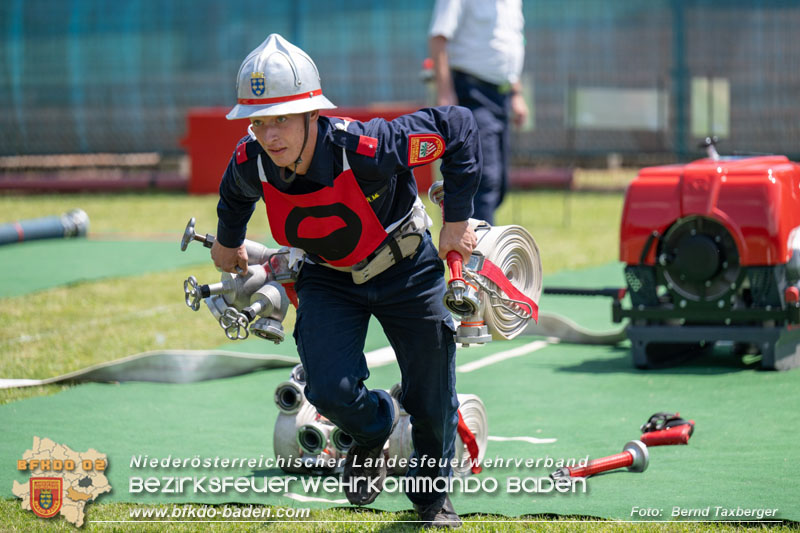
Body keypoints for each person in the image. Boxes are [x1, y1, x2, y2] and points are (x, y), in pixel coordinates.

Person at [210, 34, 481, 528]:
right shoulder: (252, 160)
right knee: (327, 390)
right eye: (259, 122)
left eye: (282, 119)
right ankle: (374, 429)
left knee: (431, 397)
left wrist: (457, 221)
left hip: (407, 269)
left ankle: (430, 497)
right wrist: (228, 242)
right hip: (328, 279)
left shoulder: (369, 148)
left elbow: (459, 127)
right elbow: (233, 193)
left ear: (313, 113)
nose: (270, 136)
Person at [429, 0, 529, 225]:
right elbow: (438, 38)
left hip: (501, 95)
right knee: (483, 179)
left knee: (499, 184)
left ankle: (480, 243)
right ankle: (477, 255)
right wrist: (445, 93)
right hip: (470, 93)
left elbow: (509, 45)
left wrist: (516, 93)